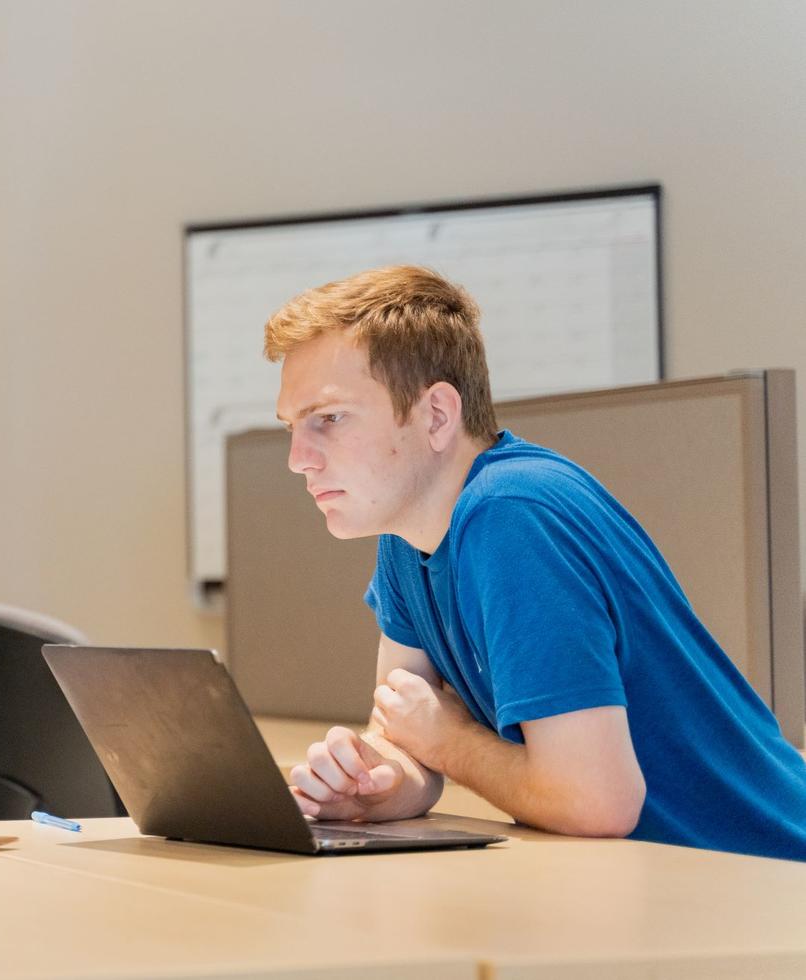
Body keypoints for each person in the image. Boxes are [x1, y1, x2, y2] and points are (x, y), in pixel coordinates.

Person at [265, 265, 806, 861]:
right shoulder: (408, 534)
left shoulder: (513, 516)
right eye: (293, 427)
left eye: (329, 419)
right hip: (674, 880)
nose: (298, 459)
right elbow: (408, 737)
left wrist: (449, 743)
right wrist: (374, 783)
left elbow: (594, 801)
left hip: (769, 880)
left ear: (437, 415)